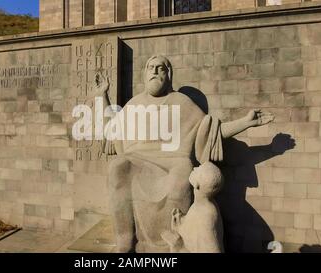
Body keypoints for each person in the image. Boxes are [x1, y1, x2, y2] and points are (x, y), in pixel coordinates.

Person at [95, 55, 274, 253]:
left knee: (182, 174)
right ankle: (125, 240)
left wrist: (245, 122)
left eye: (160, 68)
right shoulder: (134, 104)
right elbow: (112, 129)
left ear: (168, 74)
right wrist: (102, 96)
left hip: (174, 162)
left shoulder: (182, 103)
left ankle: (172, 244)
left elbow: (210, 131)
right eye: (150, 67)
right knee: (117, 167)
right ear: (144, 74)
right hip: (137, 161)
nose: (154, 71)